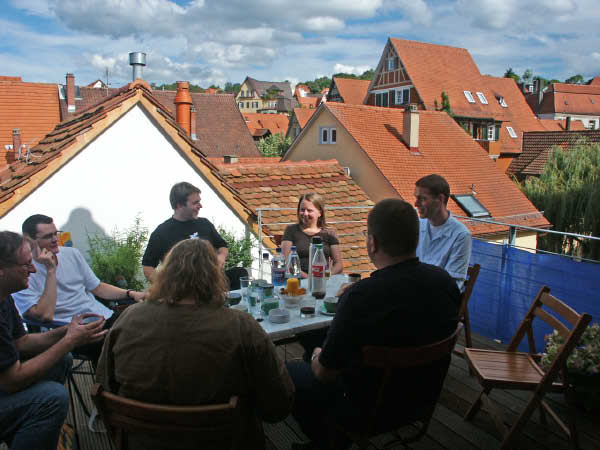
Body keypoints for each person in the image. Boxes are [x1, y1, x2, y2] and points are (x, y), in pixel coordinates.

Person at [286, 199, 460, 450]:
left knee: (285, 372)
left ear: (372, 243)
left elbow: (324, 373)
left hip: (361, 410)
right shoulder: (445, 283)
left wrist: (316, 355)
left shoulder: (362, 297)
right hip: (418, 403)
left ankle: (326, 442)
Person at [97, 238, 294, 450]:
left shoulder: (128, 319)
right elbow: (278, 406)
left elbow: (104, 385)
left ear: (166, 275)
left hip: (143, 443)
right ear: (214, 276)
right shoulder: (241, 326)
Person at [0, 231, 107, 450]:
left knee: (62, 360)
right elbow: (12, 380)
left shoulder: (4, 297)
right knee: (52, 398)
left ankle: (33, 428)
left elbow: (21, 341)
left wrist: (67, 330)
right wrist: (69, 341)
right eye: (26, 264)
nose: (33, 269)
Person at [12, 214, 146, 365]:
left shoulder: (71, 254)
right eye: (48, 236)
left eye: (56, 233)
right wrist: (51, 270)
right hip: (71, 330)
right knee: (120, 348)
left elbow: (98, 287)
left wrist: (130, 293)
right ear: (29, 240)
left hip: (103, 316)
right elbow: (44, 316)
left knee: (144, 328)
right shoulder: (22, 272)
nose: (55, 239)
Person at [142, 181, 247, 289]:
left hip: (212, 282)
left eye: (199, 201)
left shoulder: (205, 224)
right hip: (184, 288)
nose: (200, 206)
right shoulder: (161, 232)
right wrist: (166, 287)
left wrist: (221, 256)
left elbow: (222, 246)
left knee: (239, 273)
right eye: (195, 203)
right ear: (179, 205)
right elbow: (148, 267)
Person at [414, 174, 472, 289]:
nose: (416, 204)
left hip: (438, 297)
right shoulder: (417, 225)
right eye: (416, 198)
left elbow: (452, 285)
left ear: (440, 199)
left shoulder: (461, 235)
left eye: (423, 198)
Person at [281, 193, 343, 278]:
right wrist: (308, 278)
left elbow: (338, 264)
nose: (305, 214)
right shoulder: (291, 230)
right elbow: (285, 261)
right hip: (298, 279)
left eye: (309, 210)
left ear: (320, 213)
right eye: (302, 210)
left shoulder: (329, 233)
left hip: (323, 279)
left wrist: (326, 276)